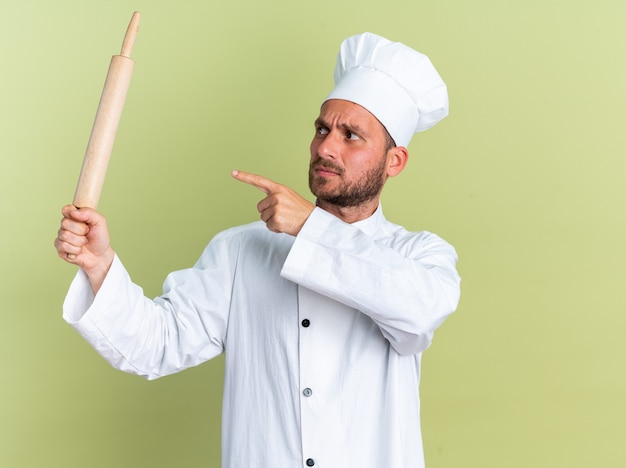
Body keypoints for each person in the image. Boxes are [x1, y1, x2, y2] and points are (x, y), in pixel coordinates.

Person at [55, 32, 461, 468]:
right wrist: (99, 265)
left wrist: (310, 225)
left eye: (351, 136)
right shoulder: (240, 251)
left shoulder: (419, 257)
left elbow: (416, 312)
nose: (325, 147)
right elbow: (156, 345)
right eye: (322, 129)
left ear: (394, 161)